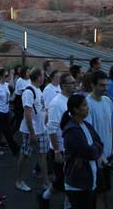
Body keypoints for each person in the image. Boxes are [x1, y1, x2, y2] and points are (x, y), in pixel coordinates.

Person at [61, 94, 103, 209]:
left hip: (88, 182)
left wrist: (95, 149)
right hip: (79, 184)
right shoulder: (72, 131)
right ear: (75, 109)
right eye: (84, 105)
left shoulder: (86, 125)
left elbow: (99, 143)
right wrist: (96, 149)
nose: (87, 108)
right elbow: (89, 152)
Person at [42, 72, 77, 205]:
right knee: (66, 182)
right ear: (63, 86)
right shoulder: (57, 103)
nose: (75, 85)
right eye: (72, 83)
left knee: (65, 181)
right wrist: (57, 151)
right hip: (60, 149)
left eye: (75, 82)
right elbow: (51, 128)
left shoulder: (72, 100)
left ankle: (45, 196)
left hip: (70, 147)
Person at [85, 71, 113, 207]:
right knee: (98, 193)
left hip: (108, 156)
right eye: (101, 85)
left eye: (106, 85)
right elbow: (89, 133)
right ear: (93, 85)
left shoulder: (108, 101)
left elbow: (112, 126)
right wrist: (100, 155)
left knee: (104, 191)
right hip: (96, 158)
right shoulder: (87, 104)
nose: (105, 88)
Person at [15, 67, 48, 192]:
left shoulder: (39, 90)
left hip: (42, 129)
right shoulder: (29, 92)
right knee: (25, 155)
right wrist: (32, 133)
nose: (44, 77)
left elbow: (41, 108)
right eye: (43, 75)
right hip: (31, 131)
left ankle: (46, 182)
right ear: (38, 77)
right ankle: (19, 181)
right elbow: (27, 114)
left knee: (42, 155)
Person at [0, 68, 19, 157]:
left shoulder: (5, 85)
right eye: (6, 75)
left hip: (5, 112)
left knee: (7, 131)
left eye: (7, 75)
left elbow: (12, 88)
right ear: (1, 76)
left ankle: (15, 149)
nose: (7, 77)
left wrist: (12, 75)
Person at [13, 66, 31, 131]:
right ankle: (13, 133)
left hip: (26, 99)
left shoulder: (29, 80)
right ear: (23, 73)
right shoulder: (20, 80)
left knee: (20, 118)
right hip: (19, 100)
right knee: (19, 118)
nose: (29, 73)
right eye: (27, 72)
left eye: (29, 71)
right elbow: (24, 92)